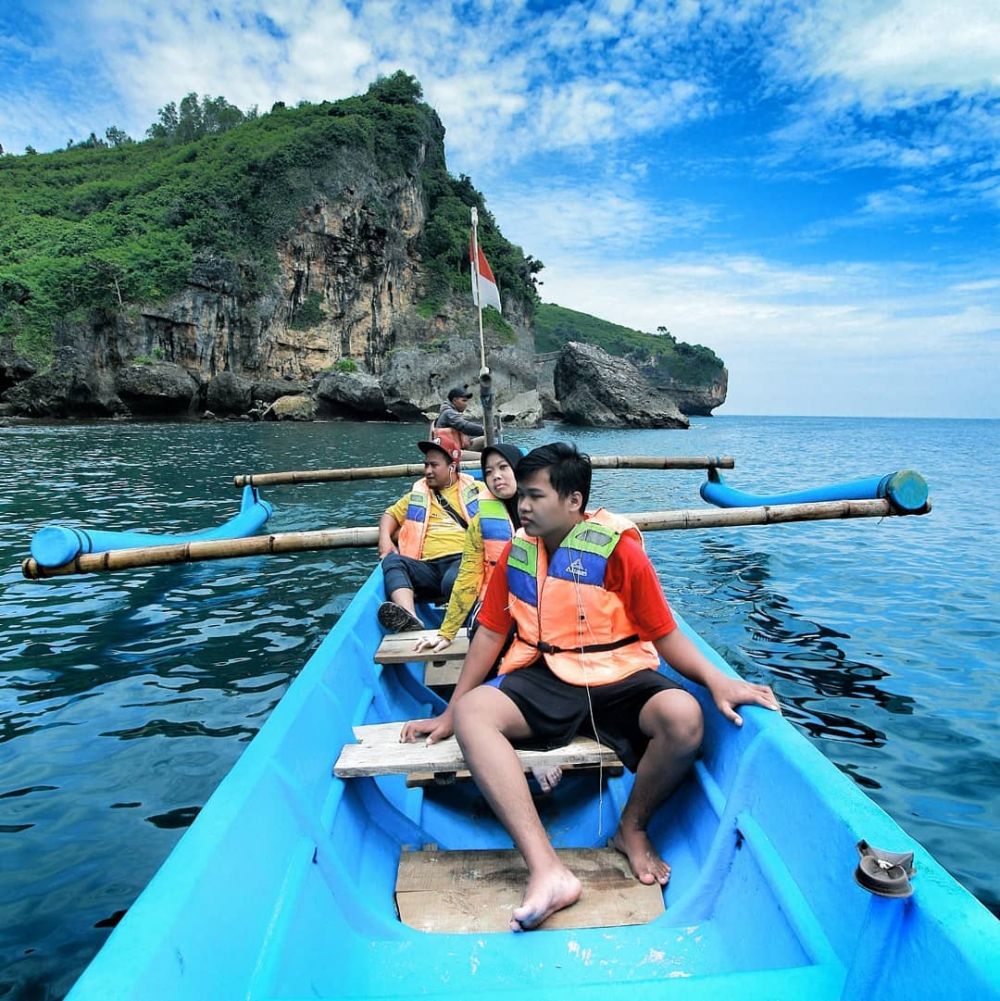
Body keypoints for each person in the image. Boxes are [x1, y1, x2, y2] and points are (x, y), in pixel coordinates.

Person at [401, 442, 780, 931]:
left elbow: (664, 633)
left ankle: (632, 827)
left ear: (574, 501)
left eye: (536, 496)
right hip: (547, 673)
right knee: (475, 713)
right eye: (523, 498)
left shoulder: (618, 549)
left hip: (619, 674)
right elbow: (492, 631)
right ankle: (547, 870)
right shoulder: (519, 550)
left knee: (685, 717)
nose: (524, 506)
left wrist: (717, 680)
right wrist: (451, 710)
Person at [377, 440, 481, 633]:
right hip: (427, 566)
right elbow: (389, 515)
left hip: (462, 559)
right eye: (426, 464)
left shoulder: (478, 491)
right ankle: (410, 618)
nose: (428, 471)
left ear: (452, 467)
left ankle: (470, 627)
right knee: (392, 562)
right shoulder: (418, 494)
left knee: (454, 581)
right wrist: (385, 540)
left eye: (434, 465)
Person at [434, 386, 486, 454]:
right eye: (463, 401)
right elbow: (464, 426)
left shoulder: (450, 411)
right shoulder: (449, 413)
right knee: (484, 457)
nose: (466, 404)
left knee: (486, 439)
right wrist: (485, 430)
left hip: (458, 447)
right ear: (455, 400)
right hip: (450, 453)